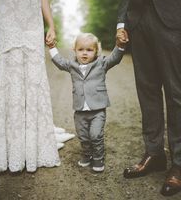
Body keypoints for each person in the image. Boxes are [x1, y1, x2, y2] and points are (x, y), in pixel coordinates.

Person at [116, 0, 181, 196]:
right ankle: (154, 153)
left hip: (174, 11)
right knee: (147, 90)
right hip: (137, 17)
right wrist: (121, 21)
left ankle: (179, 164)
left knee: (177, 92)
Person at [0, 0, 73, 172]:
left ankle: (29, 145)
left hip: (31, 21)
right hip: (4, 19)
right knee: (6, 74)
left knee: (32, 74)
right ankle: (5, 147)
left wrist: (52, 26)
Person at [47, 33, 126, 172]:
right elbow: (59, 61)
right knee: (83, 135)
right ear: (75, 50)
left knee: (95, 135)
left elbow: (114, 59)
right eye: (81, 49)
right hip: (80, 110)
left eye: (89, 50)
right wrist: (52, 47)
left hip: (98, 109)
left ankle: (98, 158)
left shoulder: (101, 63)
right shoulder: (72, 65)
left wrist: (119, 45)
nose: (84, 53)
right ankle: (86, 154)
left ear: (96, 52)